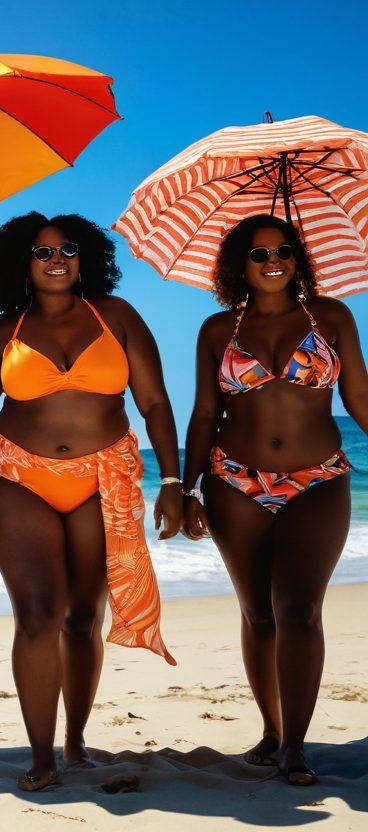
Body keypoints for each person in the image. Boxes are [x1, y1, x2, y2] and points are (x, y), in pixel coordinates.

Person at [0, 212, 181, 791]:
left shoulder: (118, 316)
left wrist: (176, 484)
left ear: (85, 258)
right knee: (38, 613)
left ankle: (76, 741)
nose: (57, 259)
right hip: (15, 478)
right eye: (42, 251)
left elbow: (154, 404)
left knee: (82, 619)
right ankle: (41, 755)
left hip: (102, 474)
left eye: (67, 249)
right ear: (21, 265)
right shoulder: (3, 328)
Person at [181, 214, 368, 786]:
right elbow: (206, 413)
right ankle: (270, 727)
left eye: (283, 251)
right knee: (258, 614)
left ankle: (295, 745)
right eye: (259, 254)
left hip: (318, 477)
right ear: (240, 264)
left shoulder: (331, 316)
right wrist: (184, 488)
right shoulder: (218, 329)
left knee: (298, 610)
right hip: (233, 480)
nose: (272, 262)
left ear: (298, 258)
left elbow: (359, 394)